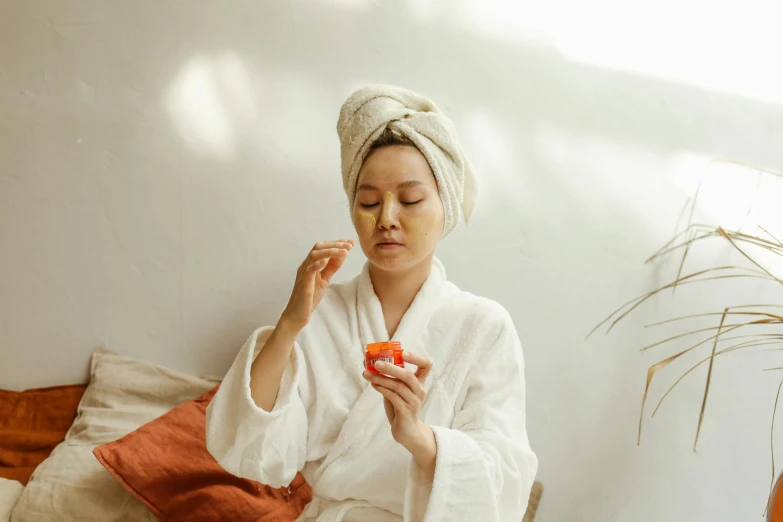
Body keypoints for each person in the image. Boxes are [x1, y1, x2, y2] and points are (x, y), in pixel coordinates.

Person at [206, 85, 538, 522]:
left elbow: (507, 476)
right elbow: (250, 454)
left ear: (445, 206)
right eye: (368, 201)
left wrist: (417, 435)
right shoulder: (318, 318)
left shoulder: (484, 327)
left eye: (411, 199)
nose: (386, 218)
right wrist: (289, 325)